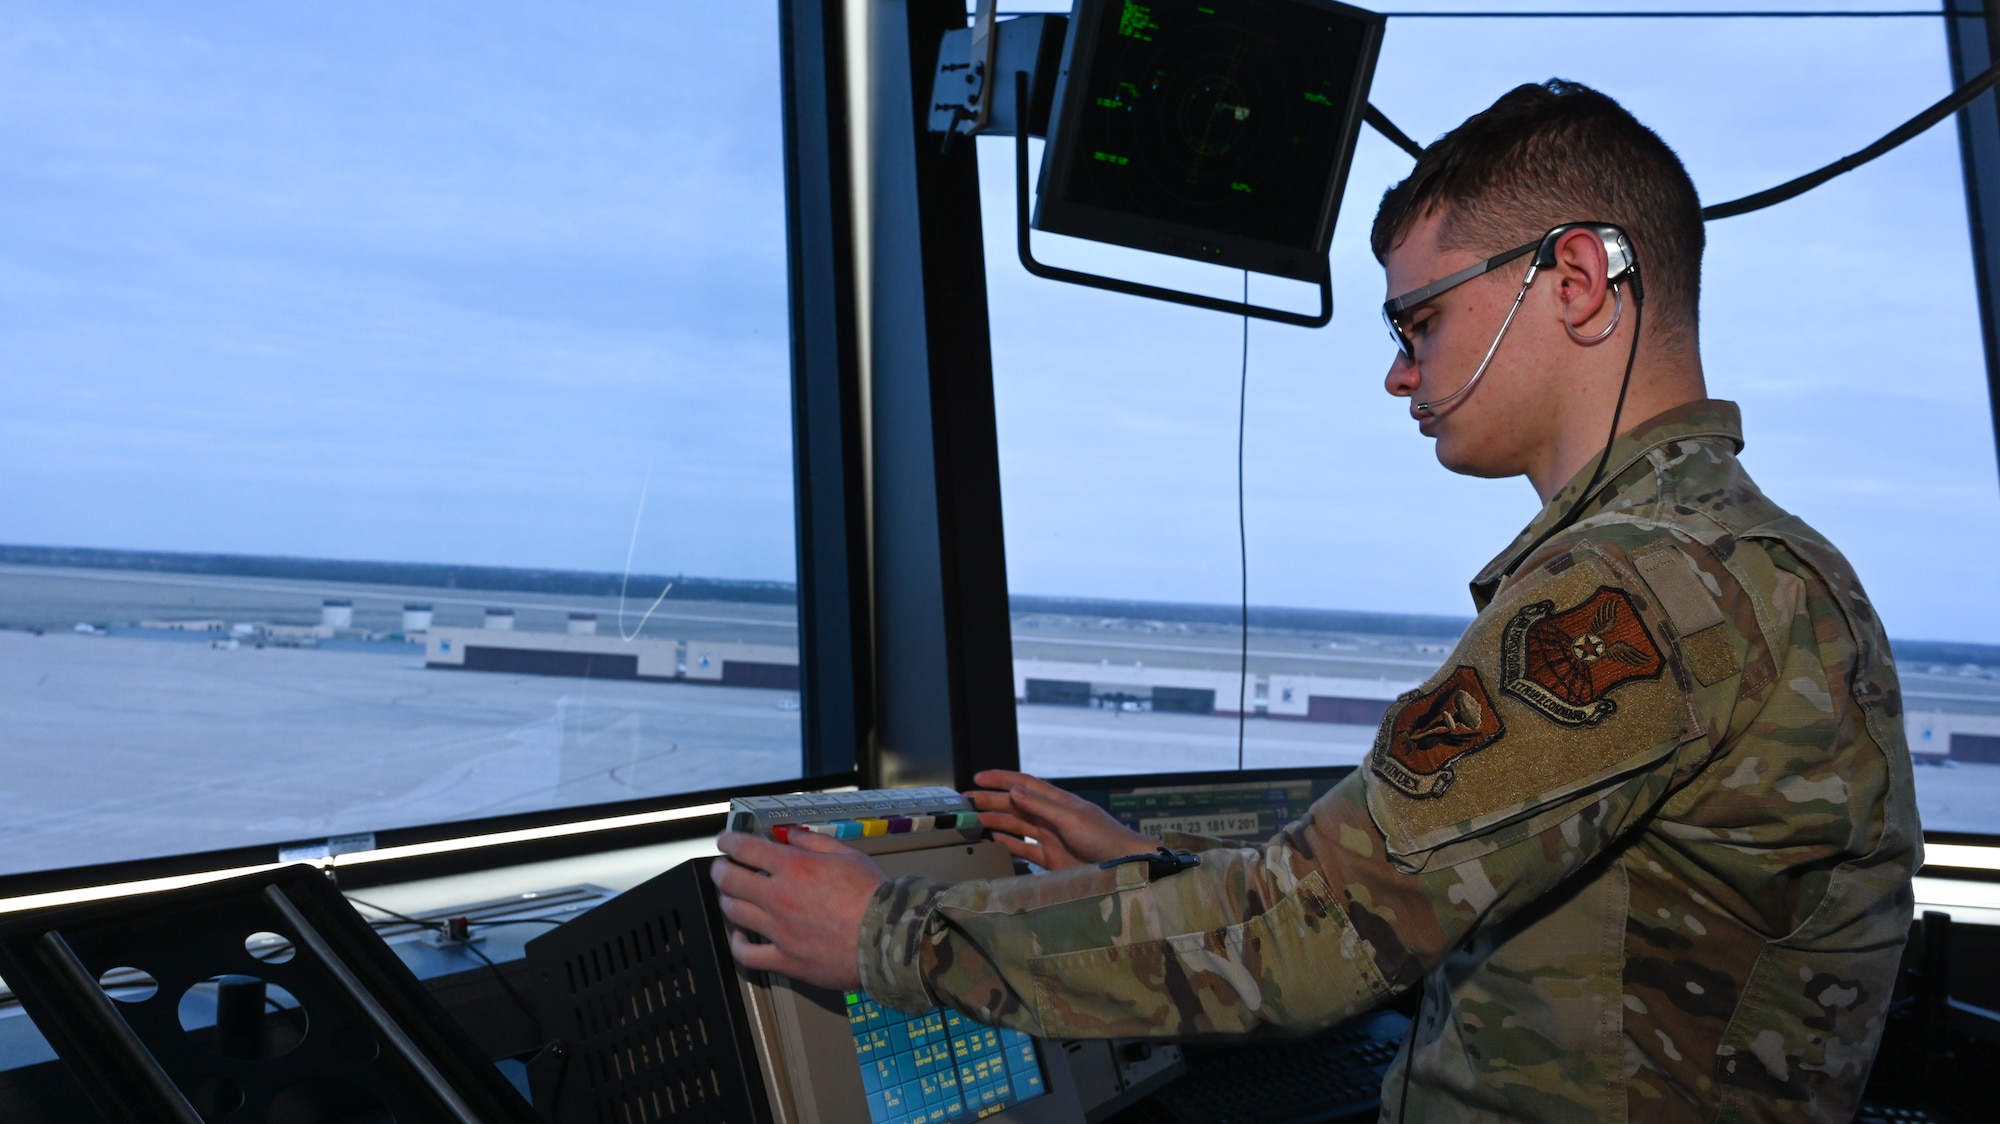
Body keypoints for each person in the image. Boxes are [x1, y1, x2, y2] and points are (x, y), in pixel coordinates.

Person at [713, 79, 1920, 1121]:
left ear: (1575, 279)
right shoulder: (1760, 561)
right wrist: (1157, 872)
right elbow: (1472, 912)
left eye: (1420, 319)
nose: (1398, 372)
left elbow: (1303, 940)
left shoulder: (1633, 593)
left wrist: (888, 934)